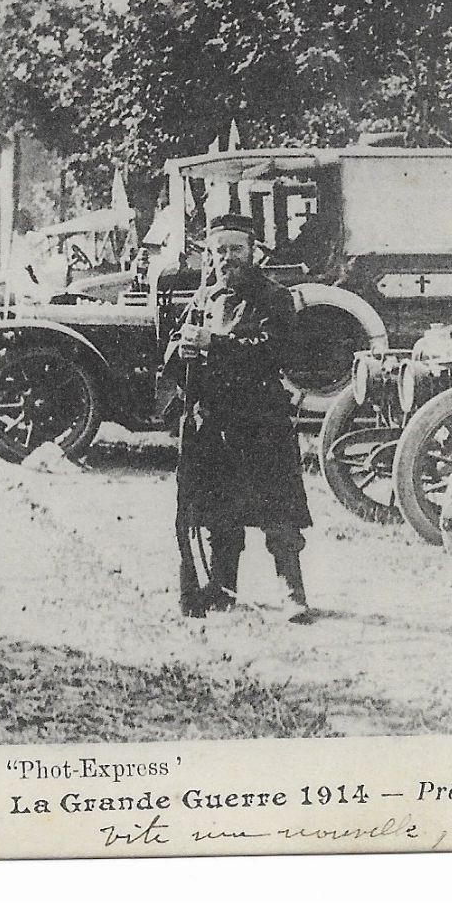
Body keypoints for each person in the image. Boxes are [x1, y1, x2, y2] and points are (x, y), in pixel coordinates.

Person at [165, 213, 314, 621]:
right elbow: (175, 359)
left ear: (253, 252)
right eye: (219, 252)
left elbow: (277, 352)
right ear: (209, 257)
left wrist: (216, 343)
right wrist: (182, 352)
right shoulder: (203, 300)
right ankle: (222, 587)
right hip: (212, 422)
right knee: (217, 511)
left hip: (261, 420)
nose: (226, 259)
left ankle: (291, 592)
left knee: (278, 513)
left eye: (235, 250)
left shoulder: (274, 298)